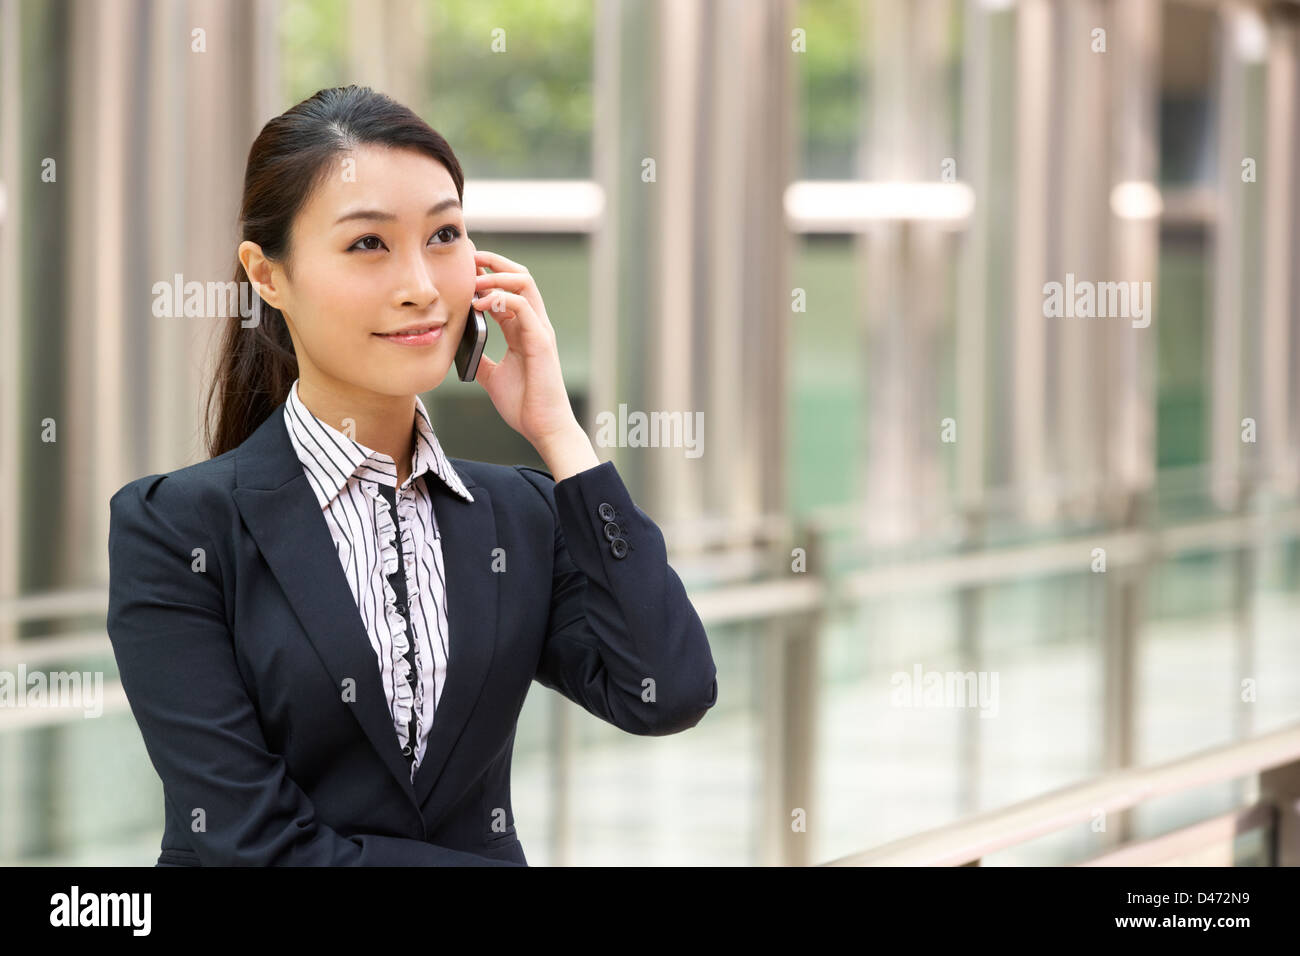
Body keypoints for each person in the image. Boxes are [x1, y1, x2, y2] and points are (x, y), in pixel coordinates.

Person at [106, 85, 718, 866]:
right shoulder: (176, 528)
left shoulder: (519, 516)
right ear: (266, 276)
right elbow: (246, 846)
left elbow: (666, 692)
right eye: (369, 244)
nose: (422, 287)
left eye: (445, 235)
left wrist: (560, 435)